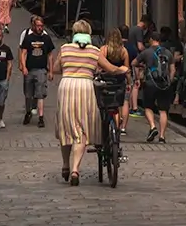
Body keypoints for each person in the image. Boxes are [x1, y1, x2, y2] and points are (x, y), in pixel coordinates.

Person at [54, 17, 111, 183]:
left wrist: (69, 67)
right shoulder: (94, 51)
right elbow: (109, 68)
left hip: (66, 86)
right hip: (85, 87)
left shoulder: (65, 49)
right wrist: (121, 69)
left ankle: (65, 164)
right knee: (82, 129)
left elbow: (55, 69)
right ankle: (75, 170)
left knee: (66, 128)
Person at [139, 27, 176, 145]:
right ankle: (162, 137)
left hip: (150, 83)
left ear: (151, 39)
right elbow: (173, 70)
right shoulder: (168, 52)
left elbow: (134, 62)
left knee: (148, 107)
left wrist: (142, 68)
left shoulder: (146, 52)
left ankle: (152, 126)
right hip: (164, 84)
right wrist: (169, 81)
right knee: (163, 110)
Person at [19, 14, 56, 127]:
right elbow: (23, 53)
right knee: (28, 94)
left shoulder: (46, 38)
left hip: (41, 70)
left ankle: (41, 117)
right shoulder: (28, 38)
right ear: (34, 26)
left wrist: (51, 71)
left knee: (40, 95)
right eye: (38, 26)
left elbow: (50, 55)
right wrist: (23, 66)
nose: (40, 28)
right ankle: (28, 112)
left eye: (41, 26)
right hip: (29, 69)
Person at [103, 26, 132, 136]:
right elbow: (127, 69)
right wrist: (129, 82)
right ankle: (121, 126)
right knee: (122, 103)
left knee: (106, 103)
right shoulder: (124, 51)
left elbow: (99, 66)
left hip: (106, 80)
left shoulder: (104, 49)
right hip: (119, 81)